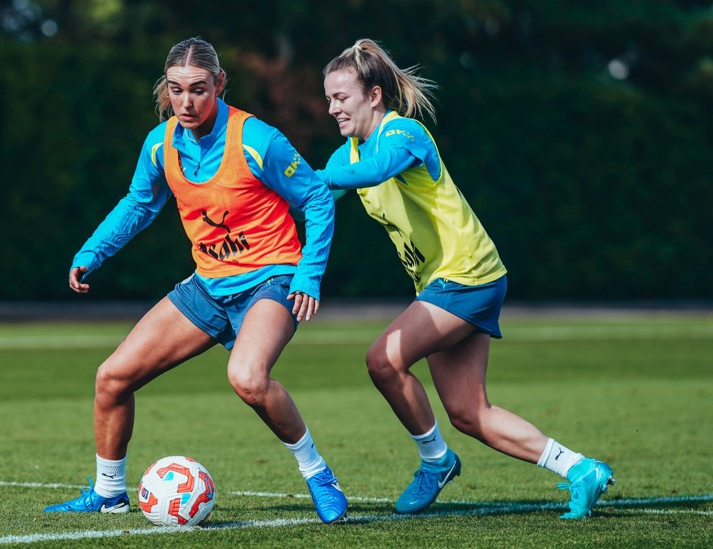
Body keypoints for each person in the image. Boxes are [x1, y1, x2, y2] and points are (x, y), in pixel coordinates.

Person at [44, 37, 347, 524]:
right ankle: (108, 492)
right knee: (112, 378)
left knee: (247, 378)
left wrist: (308, 277)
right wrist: (91, 252)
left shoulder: (258, 139)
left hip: (272, 277)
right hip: (208, 285)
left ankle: (318, 474)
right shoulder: (159, 143)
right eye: (176, 89)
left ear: (220, 85)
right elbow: (140, 204)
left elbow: (316, 198)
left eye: (199, 90)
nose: (186, 102)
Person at [316, 39, 614, 519]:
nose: (331, 108)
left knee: (382, 361)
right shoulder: (344, 157)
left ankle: (435, 461)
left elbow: (376, 170)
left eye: (341, 97)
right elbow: (315, 203)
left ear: (373, 95)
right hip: (445, 284)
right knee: (469, 413)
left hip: (466, 276)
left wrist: (313, 181)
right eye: (328, 98)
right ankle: (581, 469)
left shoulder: (404, 135)